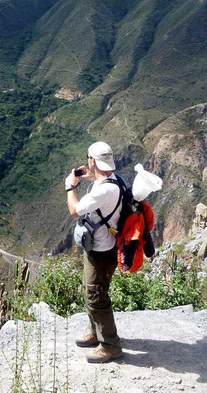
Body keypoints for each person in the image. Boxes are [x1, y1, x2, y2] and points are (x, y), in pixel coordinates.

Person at [64, 141, 124, 363]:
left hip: (101, 251)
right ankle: (96, 333)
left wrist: (70, 187)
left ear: (92, 160)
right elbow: (104, 184)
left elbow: (74, 210)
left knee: (96, 297)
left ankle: (110, 345)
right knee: (92, 291)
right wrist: (89, 176)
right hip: (105, 247)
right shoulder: (115, 180)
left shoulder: (103, 190)